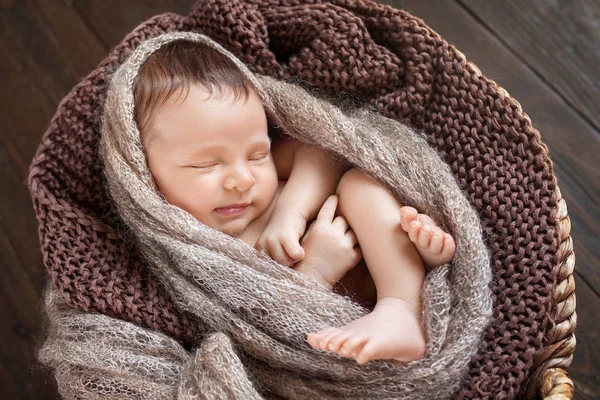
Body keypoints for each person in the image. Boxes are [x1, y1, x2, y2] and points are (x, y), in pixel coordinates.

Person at [133, 39, 456, 365]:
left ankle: (403, 303)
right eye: (206, 164)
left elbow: (323, 152)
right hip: (338, 312)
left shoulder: (273, 173)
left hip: (384, 257)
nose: (243, 179)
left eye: (257, 155)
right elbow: (265, 324)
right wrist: (316, 270)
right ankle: (411, 273)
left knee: (361, 184)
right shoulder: (197, 258)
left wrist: (290, 214)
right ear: (145, 171)